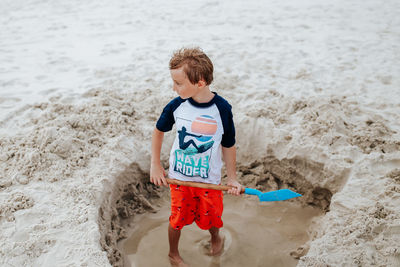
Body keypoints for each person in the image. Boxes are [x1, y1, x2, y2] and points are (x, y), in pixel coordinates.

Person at [150, 47, 242, 267]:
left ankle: (215, 237)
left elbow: (228, 144)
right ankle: (173, 253)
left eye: (179, 83)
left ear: (200, 82)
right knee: (177, 220)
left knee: (212, 218)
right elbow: (158, 130)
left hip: (209, 181)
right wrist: (155, 164)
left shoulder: (222, 109)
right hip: (179, 179)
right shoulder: (177, 106)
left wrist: (232, 178)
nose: (174, 88)